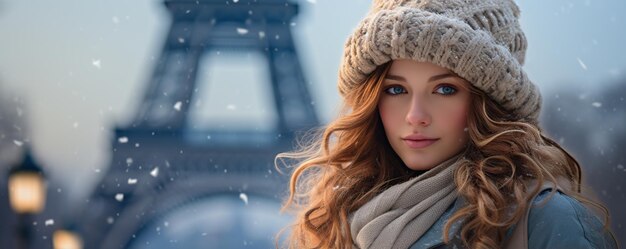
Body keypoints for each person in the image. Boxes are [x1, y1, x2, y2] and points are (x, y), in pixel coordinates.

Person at [276, 0, 619, 248]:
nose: (415, 115)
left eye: (445, 89)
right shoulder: (340, 222)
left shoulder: (546, 222)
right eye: (396, 89)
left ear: (488, 104)